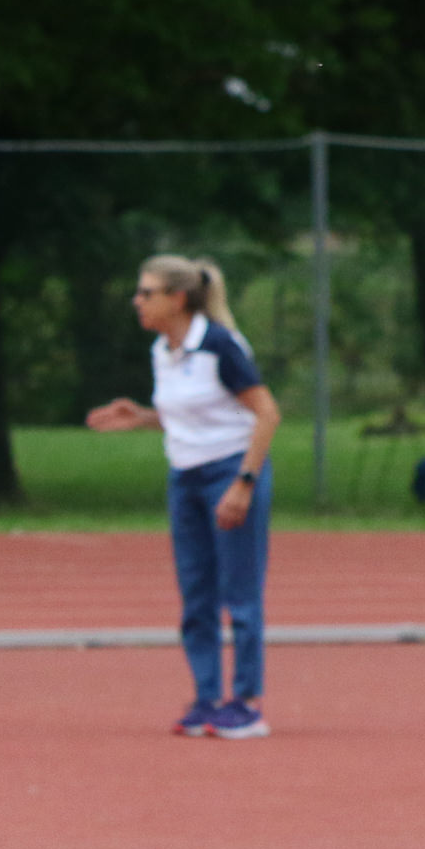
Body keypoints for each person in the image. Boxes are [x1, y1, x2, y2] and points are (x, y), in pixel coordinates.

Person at [85, 255, 281, 739]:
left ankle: (246, 703)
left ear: (177, 299)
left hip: (229, 472)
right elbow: (196, 412)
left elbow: (267, 413)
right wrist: (144, 417)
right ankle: (206, 698)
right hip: (185, 478)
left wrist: (244, 484)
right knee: (196, 595)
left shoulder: (219, 346)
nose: (137, 300)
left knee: (240, 593)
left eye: (146, 293)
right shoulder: (163, 349)